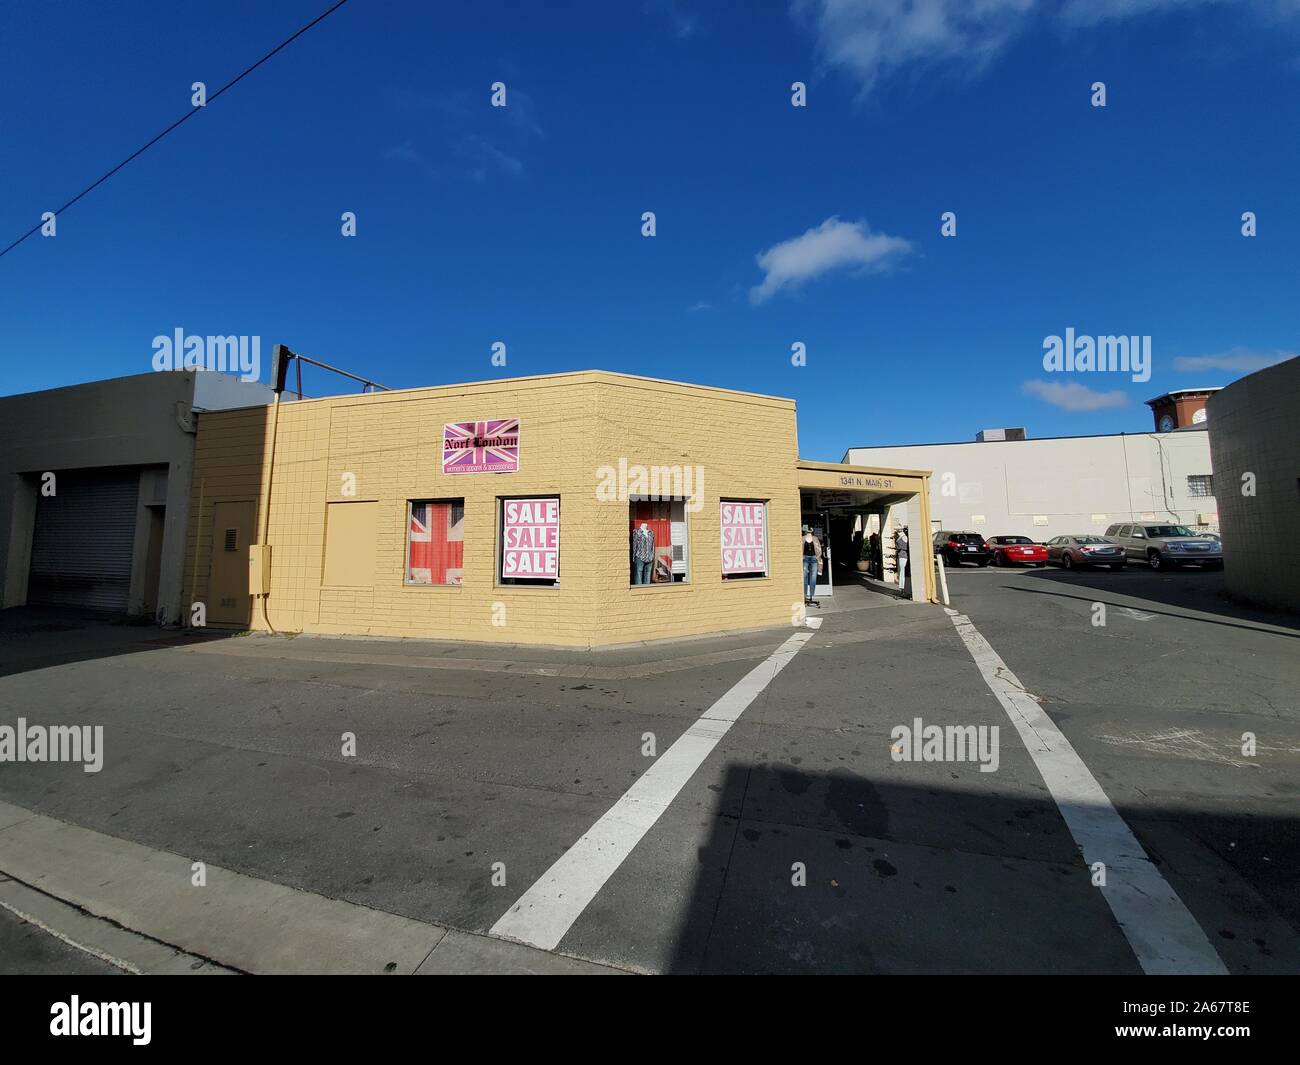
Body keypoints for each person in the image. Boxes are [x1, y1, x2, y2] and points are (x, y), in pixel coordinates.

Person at [802, 525, 823, 606]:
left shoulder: (815, 538)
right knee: (804, 577)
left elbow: (819, 549)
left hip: (814, 559)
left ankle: (811, 595)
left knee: (813, 577)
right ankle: (805, 594)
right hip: (805, 559)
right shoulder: (802, 538)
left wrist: (818, 557)